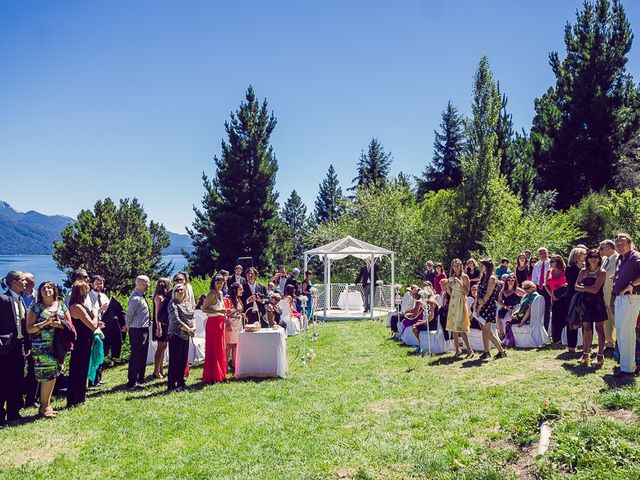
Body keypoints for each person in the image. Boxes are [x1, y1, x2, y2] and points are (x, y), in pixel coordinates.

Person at [25, 281, 70, 418]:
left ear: (54, 290)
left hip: (58, 345)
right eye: (44, 288)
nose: (47, 290)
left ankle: (46, 404)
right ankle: (44, 406)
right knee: (47, 374)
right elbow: (29, 328)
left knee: (55, 372)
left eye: (50, 287)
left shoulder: (61, 305)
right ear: (40, 292)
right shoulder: (35, 308)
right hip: (41, 347)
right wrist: (45, 323)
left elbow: (69, 325)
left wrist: (60, 325)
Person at [0, 271, 29, 425]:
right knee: (3, 381)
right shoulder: (3, 299)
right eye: (22, 280)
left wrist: (27, 345)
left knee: (17, 380)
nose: (25, 282)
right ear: (13, 282)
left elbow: (23, 324)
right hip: (4, 347)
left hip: (19, 346)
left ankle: (14, 413)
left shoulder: (21, 299)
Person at [611, 233, 640, 377]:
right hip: (619, 298)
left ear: (629, 243)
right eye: (617, 244)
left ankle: (629, 369)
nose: (620, 247)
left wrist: (631, 284)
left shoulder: (636, 256)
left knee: (627, 333)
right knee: (621, 333)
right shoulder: (620, 259)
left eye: (622, 244)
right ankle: (624, 365)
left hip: (631, 298)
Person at [575, 249, 607, 367]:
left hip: (598, 303)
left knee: (599, 329)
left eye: (596, 256)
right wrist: (588, 288)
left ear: (599, 259)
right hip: (585, 303)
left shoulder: (602, 272)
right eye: (590, 256)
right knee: (586, 328)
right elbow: (575, 286)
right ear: (587, 258)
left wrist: (583, 287)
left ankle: (600, 356)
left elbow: (596, 289)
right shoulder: (583, 271)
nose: (593, 259)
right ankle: (585, 354)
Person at [67, 280, 98, 407]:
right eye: (86, 290)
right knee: (79, 369)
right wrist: (96, 313)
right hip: (81, 341)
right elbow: (92, 325)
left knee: (80, 368)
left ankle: (79, 397)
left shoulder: (76, 305)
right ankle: (76, 398)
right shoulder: (77, 307)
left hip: (84, 339)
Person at [476, 260, 507, 360]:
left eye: (483, 266)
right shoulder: (483, 277)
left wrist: (479, 307)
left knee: (487, 331)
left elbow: (487, 295)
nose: (481, 267)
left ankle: (501, 351)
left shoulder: (492, 278)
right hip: (481, 304)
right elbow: (479, 292)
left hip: (487, 306)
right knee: (484, 331)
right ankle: (486, 352)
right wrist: (476, 304)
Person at [167, 284, 195, 391]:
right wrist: (188, 329)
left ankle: (180, 382)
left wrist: (194, 327)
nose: (180, 292)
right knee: (175, 361)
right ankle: (171, 385)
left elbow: (192, 316)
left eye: (182, 290)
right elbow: (175, 320)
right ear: (174, 292)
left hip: (186, 336)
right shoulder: (172, 304)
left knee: (183, 360)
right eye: (178, 290)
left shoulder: (187, 303)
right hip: (176, 335)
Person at [124, 275, 151, 389]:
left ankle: (140, 377)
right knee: (136, 355)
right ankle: (132, 382)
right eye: (146, 284)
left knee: (142, 354)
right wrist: (127, 325)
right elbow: (129, 315)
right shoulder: (135, 298)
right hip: (137, 330)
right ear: (140, 284)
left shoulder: (141, 296)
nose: (148, 286)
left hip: (143, 329)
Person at [201, 275, 227, 383]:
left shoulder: (221, 293)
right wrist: (218, 312)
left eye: (221, 282)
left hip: (220, 323)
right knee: (214, 348)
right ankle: (212, 374)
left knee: (220, 348)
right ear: (214, 283)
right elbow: (204, 309)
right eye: (217, 282)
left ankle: (221, 373)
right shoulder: (211, 294)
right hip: (213, 323)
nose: (219, 284)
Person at [446, 259, 473, 358]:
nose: (456, 267)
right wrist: (447, 287)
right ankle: (457, 349)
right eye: (454, 266)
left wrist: (460, 283)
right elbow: (450, 292)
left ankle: (470, 350)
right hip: (453, 301)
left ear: (461, 266)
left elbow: (467, 292)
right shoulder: (452, 277)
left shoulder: (464, 276)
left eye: (457, 265)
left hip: (461, 302)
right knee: (453, 327)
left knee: (460, 326)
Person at [87, 275, 109, 386]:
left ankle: (99, 378)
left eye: (101, 283)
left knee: (102, 352)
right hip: (94, 328)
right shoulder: (88, 296)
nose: (99, 286)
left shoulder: (104, 296)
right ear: (91, 284)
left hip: (105, 327)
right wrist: (100, 310)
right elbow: (90, 313)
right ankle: (92, 379)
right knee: (94, 352)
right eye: (97, 283)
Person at [503, 281, 539, 348]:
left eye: (528, 288)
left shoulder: (534, 295)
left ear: (533, 288)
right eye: (524, 288)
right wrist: (514, 313)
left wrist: (523, 321)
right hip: (521, 315)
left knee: (509, 323)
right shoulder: (525, 295)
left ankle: (510, 341)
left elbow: (529, 309)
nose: (526, 290)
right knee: (508, 322)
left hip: (528, 317)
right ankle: (509, 340)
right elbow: (520, 307)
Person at [20, 272, 37, 408]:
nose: (24, 283)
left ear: (33, 282)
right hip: (20, 339)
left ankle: (31, 399)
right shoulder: (17, 296)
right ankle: (17, 399)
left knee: (34, 370)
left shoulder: (40, 297)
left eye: (26, 280)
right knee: (18, 370)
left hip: (37, 338)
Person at [565, 247, 586, 352]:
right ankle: (571, 345)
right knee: (572, 319)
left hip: (584, 295)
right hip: (573, 296)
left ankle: (585, 345)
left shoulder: (585, 266)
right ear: (577, 255)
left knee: (585, 320)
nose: (585, 256)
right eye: (583, 254)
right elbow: (572, 283)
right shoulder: (570, 268)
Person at [545, 254, 569, 346]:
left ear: (558, 262)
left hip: (564, 296)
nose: (550, 263)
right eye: (550, 261)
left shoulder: (565, 271)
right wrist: (551, 295)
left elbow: (568, 283)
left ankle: (564, 338)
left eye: (552, 261)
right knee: (555, 317)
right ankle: (556, 338)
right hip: (554, 296)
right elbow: (546, 285)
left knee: (564, 317)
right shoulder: (549, 271)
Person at [599, 239, 619, 350]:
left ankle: (619, 342)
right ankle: (609, 342)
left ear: (610, 248)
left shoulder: (619, 258)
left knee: (616, 317)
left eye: (602, 248)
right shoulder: (604, 259)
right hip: (603, 294)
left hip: (613, 294)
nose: (600, 250)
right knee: (606, 319)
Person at [152, 278, 171, 379]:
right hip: (160, 324)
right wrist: (159, 327)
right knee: (160, 347)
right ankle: (156, 371)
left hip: (165, 324)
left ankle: (161, 369)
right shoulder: (158, 297)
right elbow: (157, 314)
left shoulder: (164, 296)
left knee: (164, 347)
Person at [226, 282, 245, 371]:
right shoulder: (228, 300)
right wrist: (227, 323)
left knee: (236, 344)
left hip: (238, 323)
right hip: (231, 323)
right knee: (229, 345)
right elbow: (226, 313)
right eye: (240, 289)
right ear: (235, 290)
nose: (242, 291)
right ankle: (225, 365)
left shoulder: (238, 299)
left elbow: (240, 310)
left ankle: (234, 363)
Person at [532, 248, 551, 329]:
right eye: (541, 253)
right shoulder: (537, 265)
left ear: (547, 253)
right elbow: (534, 279)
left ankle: (546, 328)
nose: (543, 255)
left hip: (548, 287)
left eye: (544, 253)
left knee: (547, 308)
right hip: (539, 288)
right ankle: (538, 328)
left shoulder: (551, 263)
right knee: (539, 308)